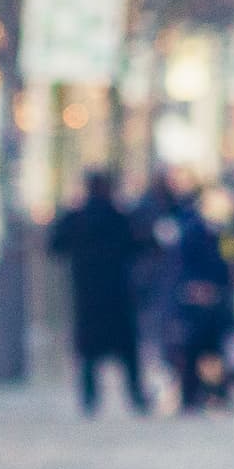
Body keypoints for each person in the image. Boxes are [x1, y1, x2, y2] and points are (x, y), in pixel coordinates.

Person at [48, 170, 149, 414]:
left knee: (89, 353)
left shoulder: (78, 217)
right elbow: (139, 245)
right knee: (126, 350)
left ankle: (90, 400)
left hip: (88, 295)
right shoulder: (119, 217)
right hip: (116, 295)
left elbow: (55, 245)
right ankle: (135, 396)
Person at [168, 183, 234, 411]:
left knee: (213, 346)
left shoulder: (225, 232)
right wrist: (194, 287)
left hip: (217, 295)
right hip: (194, 296)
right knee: (194, 346)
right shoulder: (191, 230)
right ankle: (192, 393)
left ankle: (214, 392)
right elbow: (182, 264)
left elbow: (230, 261)